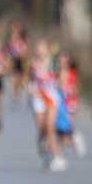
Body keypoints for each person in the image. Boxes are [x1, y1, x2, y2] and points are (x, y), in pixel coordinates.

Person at [28, 39, 67, 171]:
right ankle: (43, 146)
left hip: (50, 97)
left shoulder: (54, 63)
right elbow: (29, 80)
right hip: (38, 98)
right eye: (38, 48)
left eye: (42, 48)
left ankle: (58, 156)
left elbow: (61, 78)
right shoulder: (33, 64)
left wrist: (62, 81)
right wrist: (30, 89)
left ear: (47, 49)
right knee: (42, 129)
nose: (40, 50)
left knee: (50, 127)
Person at [54, 52, 86, 158]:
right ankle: (60, 152)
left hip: (69, 102)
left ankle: (76, 138)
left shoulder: (72, 73)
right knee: (60, 130)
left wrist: (75, 99)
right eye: (60, 61)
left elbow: (75, 89)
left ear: (68, 63)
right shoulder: (55, 73)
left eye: (64, 62)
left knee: (67, 126)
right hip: (59, 102)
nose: (62, 64)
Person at [6, 20, 29, 106]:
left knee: (20, 80)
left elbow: (26, 52)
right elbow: (8, 51)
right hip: (13, 61)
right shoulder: (10, 40)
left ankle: (19, 91)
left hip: (21, 61)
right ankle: (14, 94)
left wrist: (23, 56)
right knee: (14, 79)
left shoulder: (23, 40)